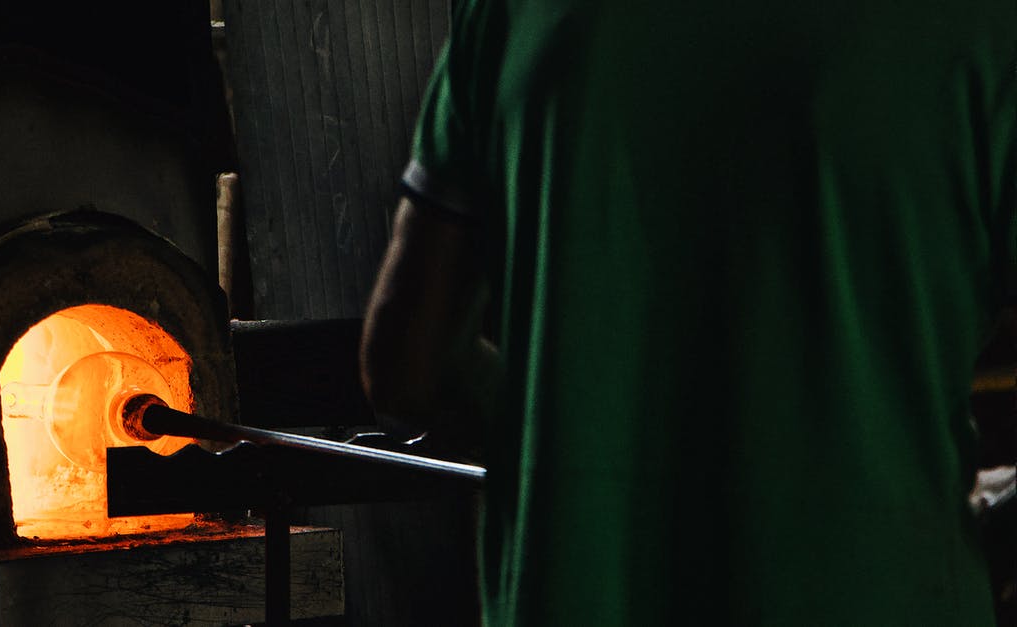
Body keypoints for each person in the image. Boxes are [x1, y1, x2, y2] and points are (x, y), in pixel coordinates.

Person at [360, 1, 1015, 625]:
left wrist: (581, 431)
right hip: (878, 590)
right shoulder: (981, 20)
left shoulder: (508, 9)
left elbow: (406, 361)